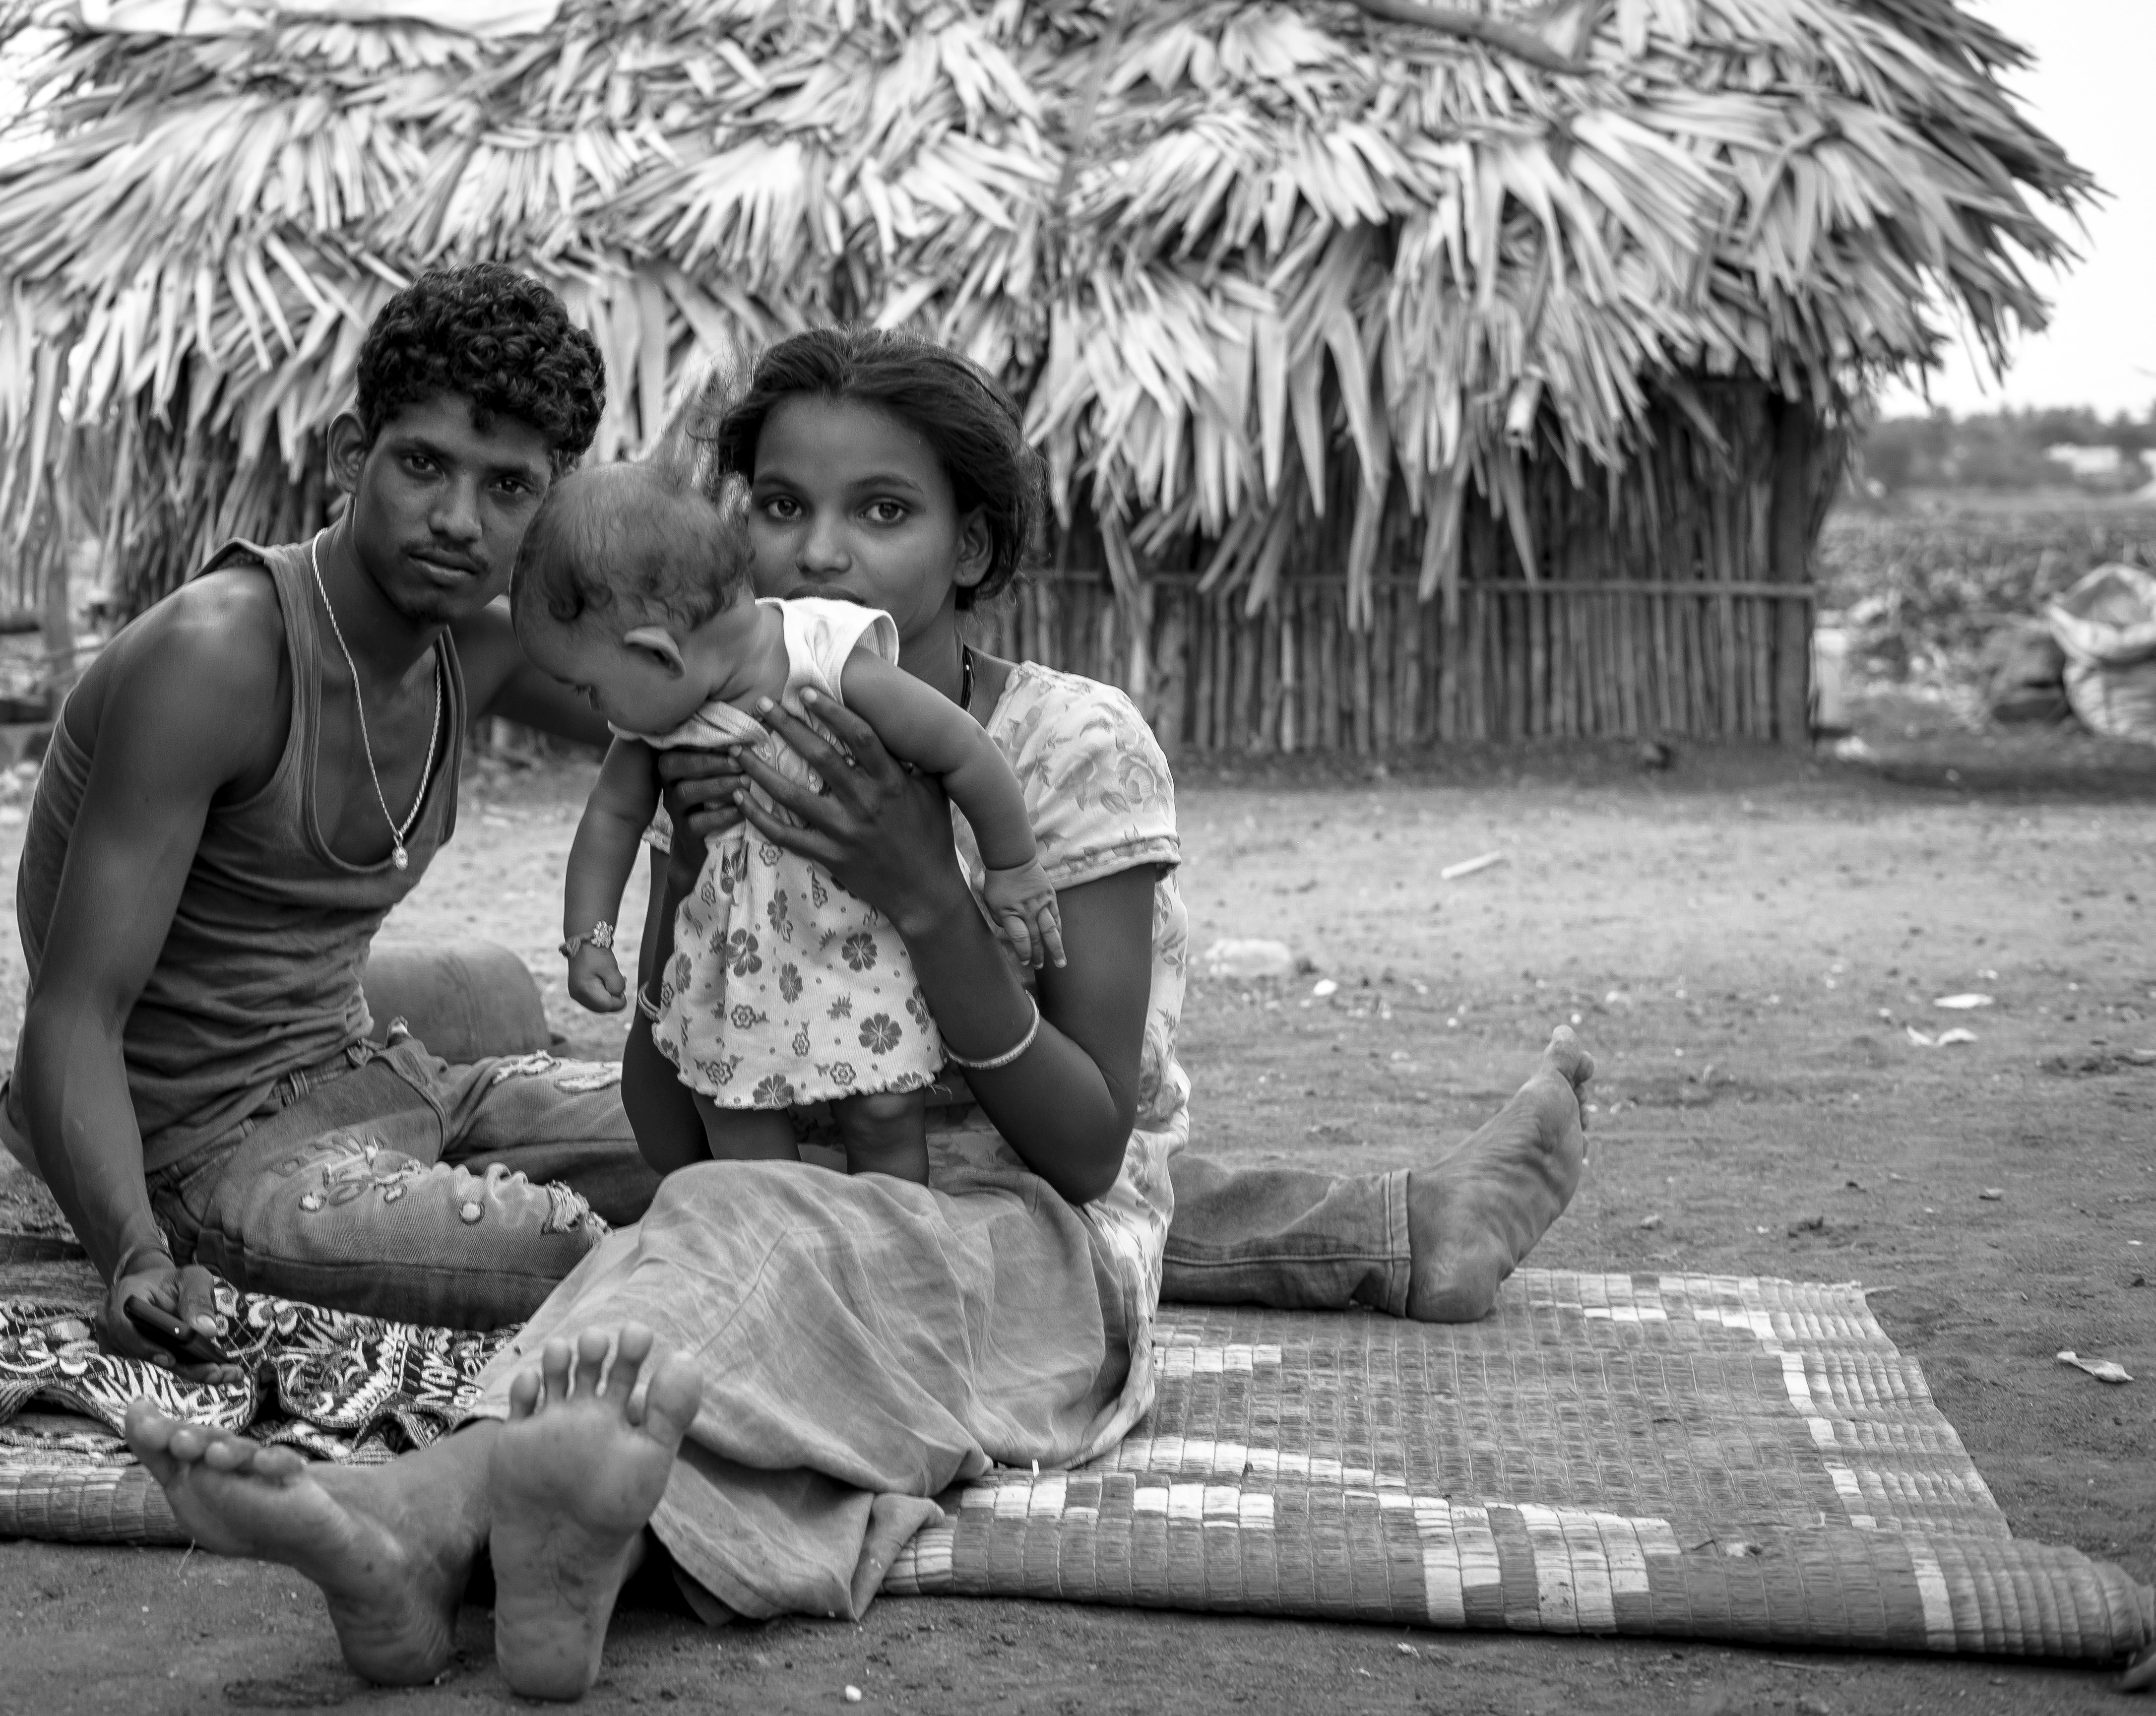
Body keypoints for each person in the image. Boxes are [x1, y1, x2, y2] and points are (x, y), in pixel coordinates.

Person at [121, 322, 1595, 1699]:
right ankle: (538, 1534)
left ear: (977, 547)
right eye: (777, 506)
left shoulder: (1066, 746)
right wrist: (686, 872)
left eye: (883, 512)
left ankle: (425, 1510)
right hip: (799, 1191)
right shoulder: (698, 720)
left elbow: (1086, 1150)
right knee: (719, 1220)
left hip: (1022, 1240)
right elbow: (668, 1120)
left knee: (721, 1229)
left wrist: (925, 890)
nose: (819, 548)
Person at [8, 261, 1578, 1376]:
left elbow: (723, 675)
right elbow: (69, 1011)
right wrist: (134, 1256)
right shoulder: (224, 654)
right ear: (355, 455)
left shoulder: (492, 635)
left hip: (373, 1066)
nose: (455, 519)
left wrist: (912, 837)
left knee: (848, 1148)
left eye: (506, 488)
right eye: (421, 466)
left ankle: (1395, 1225)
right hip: (205, 1134)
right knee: (637, 1240)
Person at [518, 461, 1061, 1184]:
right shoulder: (659, 722)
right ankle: (776, 1239)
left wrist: (1014, 866)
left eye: (589, 686)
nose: (595, 708)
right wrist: (587, 938)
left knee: (882, 1111)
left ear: (657, 652)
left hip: (854, 950)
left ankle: (891, 1247)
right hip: (730, 965)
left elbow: (962, 749)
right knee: (734, 1116)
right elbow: (610, 819)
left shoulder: (828, 660)